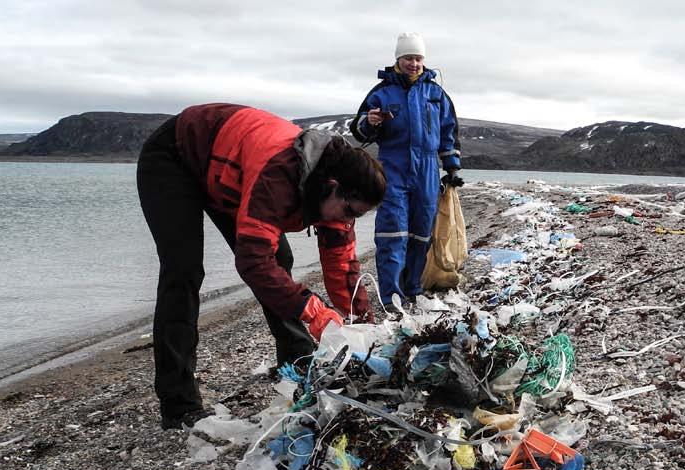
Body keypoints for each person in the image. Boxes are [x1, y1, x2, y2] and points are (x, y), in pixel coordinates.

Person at [137, 103, 386, 429]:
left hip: (230, 175)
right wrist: (311, 310)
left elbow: (342, 267)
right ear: (333, 186)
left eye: (357, 215)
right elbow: (253, 261)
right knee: (183, 271)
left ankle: (297, 364)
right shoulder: (279, 176)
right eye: (349, 211)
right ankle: (178, 403)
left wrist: (364, 328)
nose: (348, 221)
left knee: (280, 260)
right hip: (176, 157)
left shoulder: (342, 189)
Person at [350, 32, 462, 311]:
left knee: (422, 233)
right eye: (408, 58)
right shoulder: (381, 93)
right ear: (397, 59)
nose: (414, 63)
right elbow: (358, 130)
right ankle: (391, 296)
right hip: (393, 170)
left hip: (426, 170)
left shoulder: (436, 94)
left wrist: (451, 168)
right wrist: (371, 122)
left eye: (418, 58)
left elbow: (449, 132)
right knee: (392, 233)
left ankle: (414, 288)